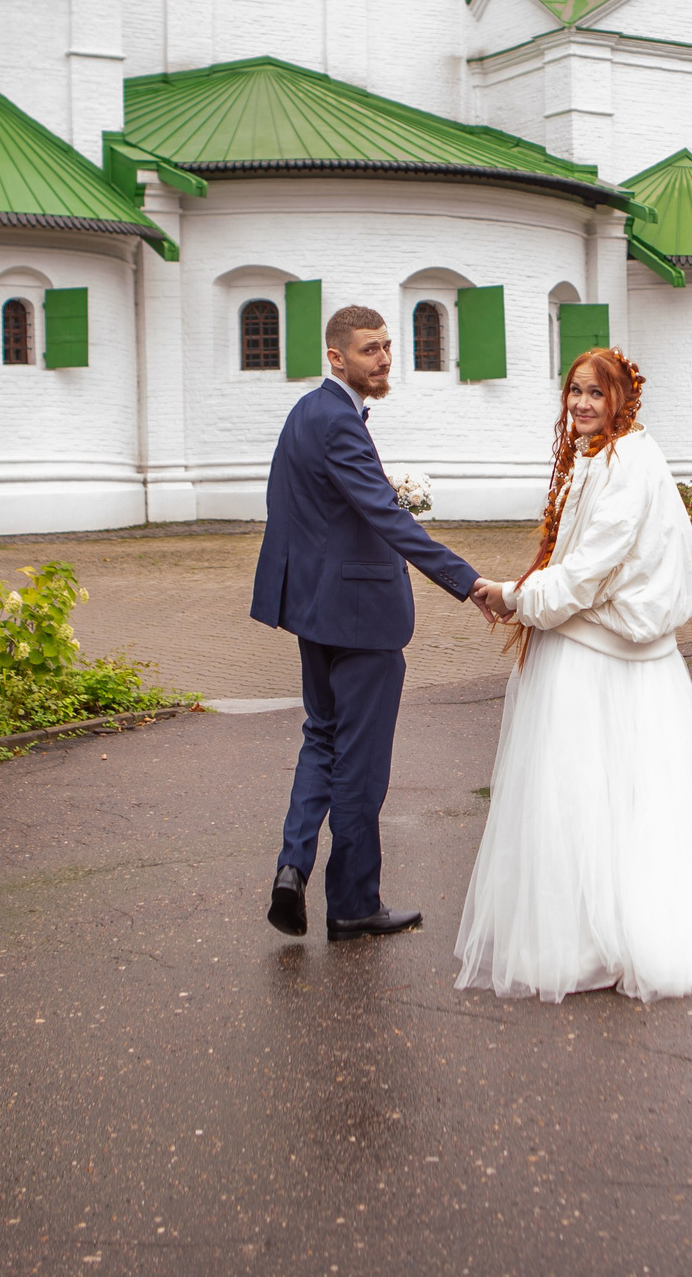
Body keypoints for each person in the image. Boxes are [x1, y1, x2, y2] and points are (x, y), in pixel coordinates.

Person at [455, 347, 692, 1002]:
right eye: (574, 391)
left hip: (596, 659)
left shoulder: (624, 464)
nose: (582, 403)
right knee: (599, 802)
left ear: (622, 398)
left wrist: (511, 595)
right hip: (610, 653)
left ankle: (604, 941)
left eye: (595, 392)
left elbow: (587, 572)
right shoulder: (604, 455)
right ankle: (592, 934)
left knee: (592, 797)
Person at [253, 304, 510, 943]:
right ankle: (353, 905)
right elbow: (383, 517)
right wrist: (467, 581)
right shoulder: (339, 420)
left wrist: (294, 594)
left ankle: (292, 866)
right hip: (362, 617)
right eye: (370, 350)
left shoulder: (303, 415)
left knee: (323, 738)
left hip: (314, 611)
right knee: (361, 764)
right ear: (336, 357)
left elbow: (290, 510)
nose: (385, 359)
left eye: (387, 347)